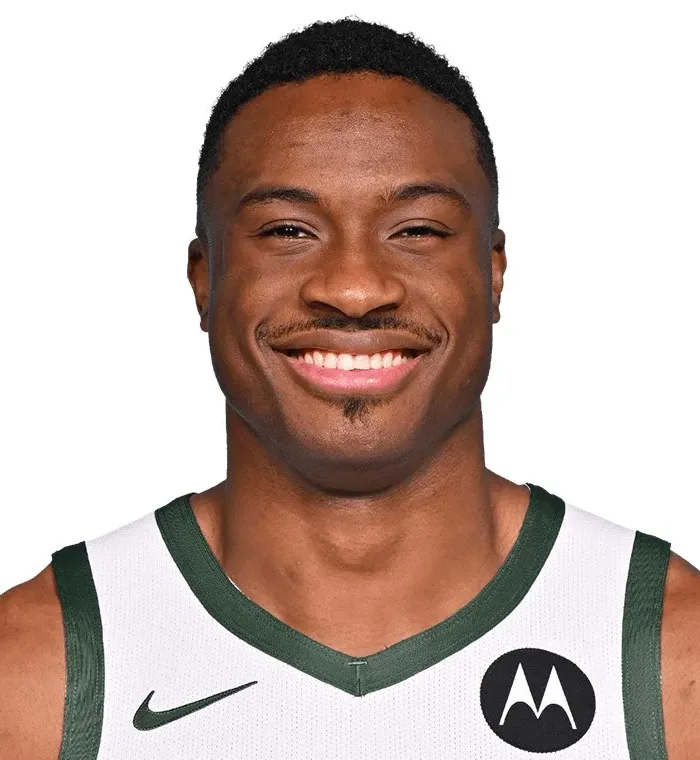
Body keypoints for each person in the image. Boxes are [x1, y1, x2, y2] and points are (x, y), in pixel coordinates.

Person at [1, 17, 698, 760]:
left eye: (417, 230)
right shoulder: (41, 673)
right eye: (288, 231)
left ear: (493, 273)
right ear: (205, 279)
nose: (355, 289)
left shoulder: (667, 658)